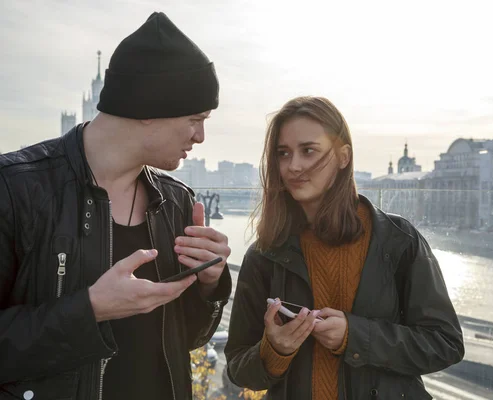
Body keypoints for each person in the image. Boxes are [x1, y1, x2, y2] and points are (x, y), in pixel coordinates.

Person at [0, 12, 232, 400]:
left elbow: (188, 339)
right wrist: (88, 310)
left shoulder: (177, 202)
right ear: (148, 108)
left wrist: (209, 283)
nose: (201, 136)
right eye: (196, 118)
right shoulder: (14, 189)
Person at [225, 96, 464, 399]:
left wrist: (355, 336)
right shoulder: (264, 254)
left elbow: (446, 344)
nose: (293, 166)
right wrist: (275, 350)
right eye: (283, 153)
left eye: (308, 151)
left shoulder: (397, 239)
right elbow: (237, 368)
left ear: (343, 156)